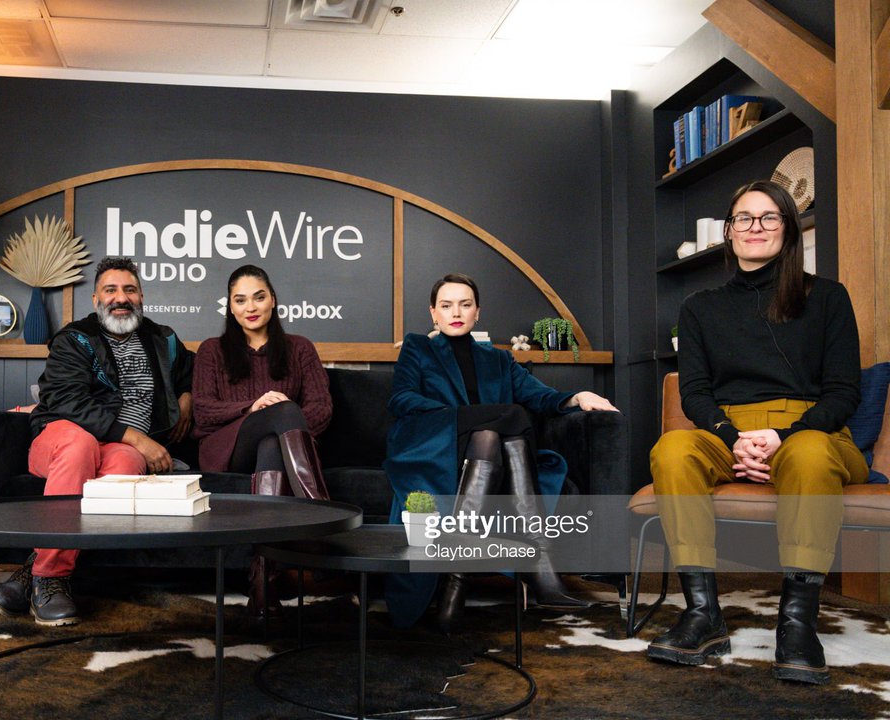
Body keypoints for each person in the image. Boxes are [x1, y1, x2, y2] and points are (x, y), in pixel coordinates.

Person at [647, 180, 866, 684]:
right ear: (728, 231)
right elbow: (695, 393)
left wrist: (785, 435)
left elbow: (843, 392)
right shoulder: (700, 307)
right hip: (729, 433)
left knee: (809, 454)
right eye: (743, 218)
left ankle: (797, 623)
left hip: (813, 431)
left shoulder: (827, 297)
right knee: (673, 448)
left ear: (788, 228)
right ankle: (703, 615)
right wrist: (733, 438)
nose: (755, 227)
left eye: (769, 217)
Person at [384, 273, 618, 632]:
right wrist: (462, 416)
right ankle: (540, 567)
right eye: (446, 305)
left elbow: (539, 395)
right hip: (436, 440)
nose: (456, 313)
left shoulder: (498, 359)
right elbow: (401, 399)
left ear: (477, 311)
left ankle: (455, 583)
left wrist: (578, 397)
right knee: (510, 418)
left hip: (485, 452)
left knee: (494, 435)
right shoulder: (418, 347)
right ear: (433, 313)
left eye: (465, 305)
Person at [0, 257, 193, 626]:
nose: (120, 298)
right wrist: (138, 439)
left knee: (128, 463)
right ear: (96, 299)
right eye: (110, 290)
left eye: (129, 289)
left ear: (141, 296)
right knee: (81, 444)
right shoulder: (74, 339)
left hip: (119, 449)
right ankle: (52, 579)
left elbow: (191, 370)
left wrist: (187, 395)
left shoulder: (164, 339)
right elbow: (68, 401)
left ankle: (32, 573)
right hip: (60, 438)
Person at [192, 264, 332, 617]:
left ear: (273, 300)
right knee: (282, 410)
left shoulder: (300, 348)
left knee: (274, 439)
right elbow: (203, 411)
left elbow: (322, 409)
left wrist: (283, 420)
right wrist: (253, 407)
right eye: (240, 300)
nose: (250, 307)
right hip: (228, 448)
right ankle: (320, 519)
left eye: (258, 297)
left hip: (279, 450)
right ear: (230, 306)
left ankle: (263, 582)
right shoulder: (212, 350)